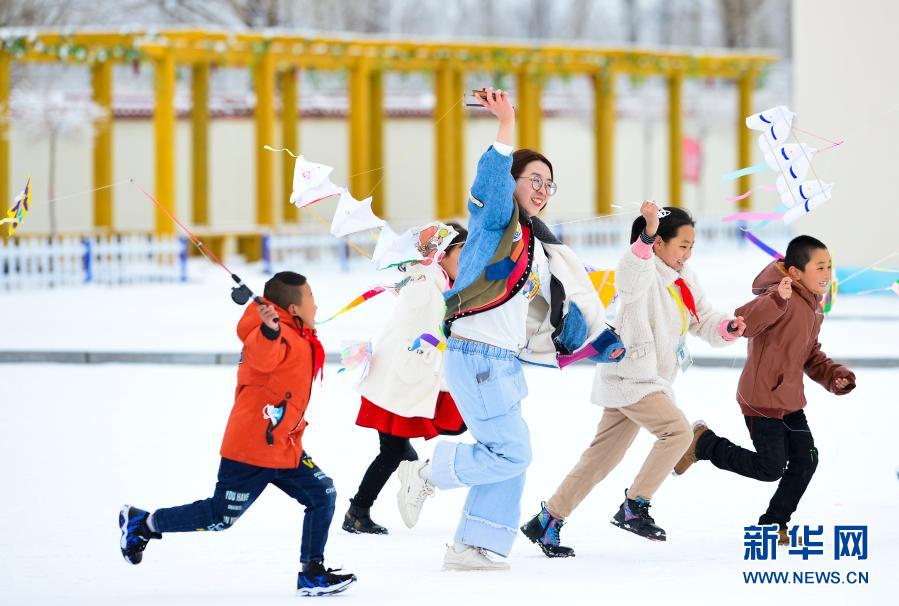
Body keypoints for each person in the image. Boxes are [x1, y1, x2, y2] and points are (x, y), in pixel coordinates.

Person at [395, 87, 624, 571]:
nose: (541, 190)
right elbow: (491, 186)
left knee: (509, 452)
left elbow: (546, 312)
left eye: (549, 184)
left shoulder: (538, 248)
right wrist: (505, 126)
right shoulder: (497, 222)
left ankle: (476, 545)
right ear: (513, 180)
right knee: (512, 451)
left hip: (500, 361)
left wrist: (592, 340)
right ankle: (426, 471)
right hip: (476, 356)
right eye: (533, 179)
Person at [522, 201, 745, 556]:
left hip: (643, 380)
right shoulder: (641, 270)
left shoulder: (683, 277)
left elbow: (701, 317)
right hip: (632, 376)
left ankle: (548, 521)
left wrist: (725, 326)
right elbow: (629, 278)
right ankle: (634, 506)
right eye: (682, 245)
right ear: (659, 244)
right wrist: (647, 233)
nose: (687, 254)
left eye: (691, 246)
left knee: (600, 460)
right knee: (677, 432)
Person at [119, 271, 357, 597]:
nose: (316, 303)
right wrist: (270, 331)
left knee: (322, 495)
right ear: (293, 306)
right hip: (251, 447)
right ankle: (142, 524)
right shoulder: (274, 334)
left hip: (283, 444)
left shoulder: (298, 333)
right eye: (311, 297)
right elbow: (262, 356)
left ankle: (311, 573)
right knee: (221, 517)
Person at [674, 235, 856, 545]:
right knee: (770, 467)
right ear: (795, 272)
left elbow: (810, 355)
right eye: (820, 267)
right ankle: (705, 444)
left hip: (790, 401)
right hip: (761, 399)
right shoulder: (779, 295)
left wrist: (834, 375)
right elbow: (745, 321)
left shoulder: (815, 307)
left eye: (829, 266)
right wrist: (776, 300)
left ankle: (773, 523)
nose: (827, 274)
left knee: (806, 460)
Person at [343, 222, 468, 535]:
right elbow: (425, 333)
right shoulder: (427, 283)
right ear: (442, 253)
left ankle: (360, 510)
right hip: (398, 378)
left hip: (398, 378)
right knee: (395, 452)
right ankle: (357, 512)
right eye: (462, 252)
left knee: (399, 452)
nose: (467, 259)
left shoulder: (435, 281)